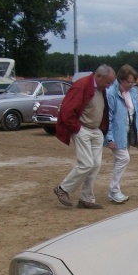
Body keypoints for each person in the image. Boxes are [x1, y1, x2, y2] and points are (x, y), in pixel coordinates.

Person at [53, 64, 116, 209]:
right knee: (86, 163)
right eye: (107, 82)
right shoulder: (81, 86)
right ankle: (63, 189)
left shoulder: (100, 89)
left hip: (95, 130)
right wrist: (77, 128)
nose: (109, 86)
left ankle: (86, 198)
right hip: (82, 129)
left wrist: (101, 130)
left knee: (95, 165)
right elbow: (67, 111)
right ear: (98, 76)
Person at [104, 64, 138, 203]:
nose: (132, 85)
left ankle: (116, 190)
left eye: (134, 82)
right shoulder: (111, 93)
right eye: (130, 82)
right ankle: (114, 191)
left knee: (120, 161)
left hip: (128, 132)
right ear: (121, 79)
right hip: (117, 134)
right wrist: (110, 138)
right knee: (124, 159)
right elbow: (109, 117)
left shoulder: (132, 93)